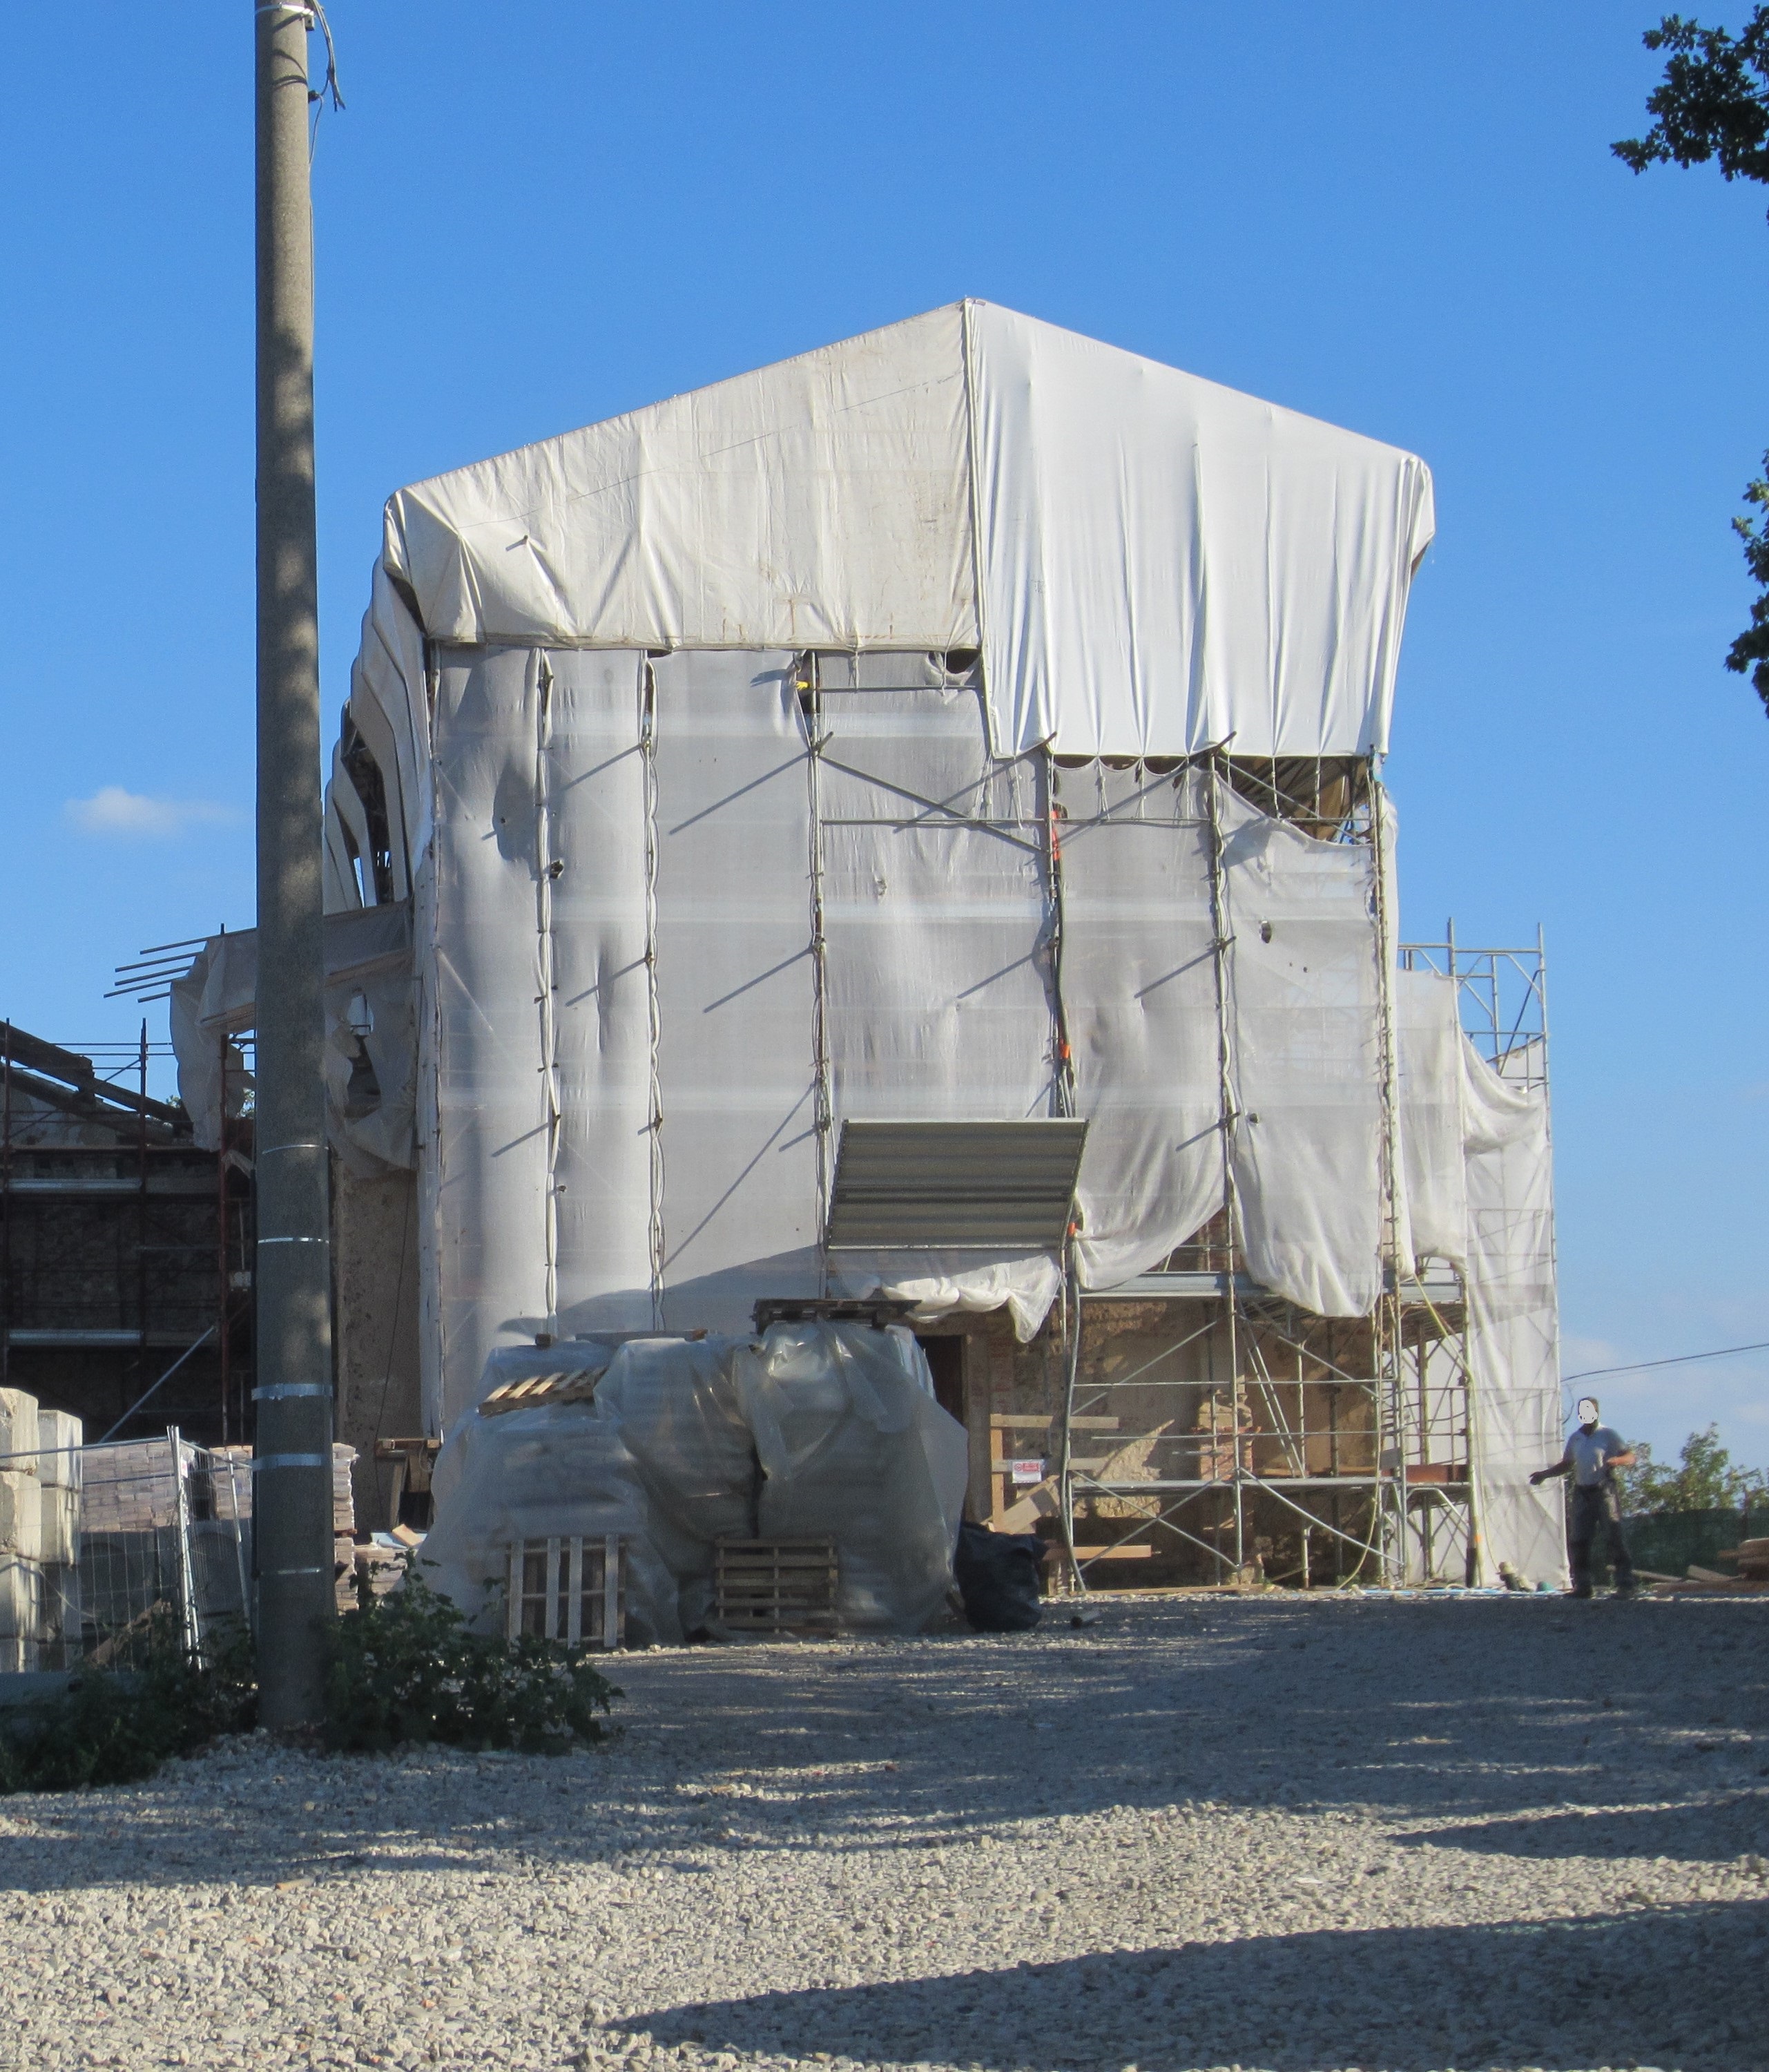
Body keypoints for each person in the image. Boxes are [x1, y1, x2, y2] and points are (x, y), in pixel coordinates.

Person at [1530, 1396, 1638, 1599]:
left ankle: (1626, 1585)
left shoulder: (1608, 1435)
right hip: (1582, 1491)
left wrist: (1618, 1460)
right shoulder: (1576, 1438)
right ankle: (1583, 1586)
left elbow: (1631, 1457)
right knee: (1579, 1539)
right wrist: (1544, 1475)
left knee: (1614, 1537)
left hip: (1604, 1490)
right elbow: (1567, 1464)